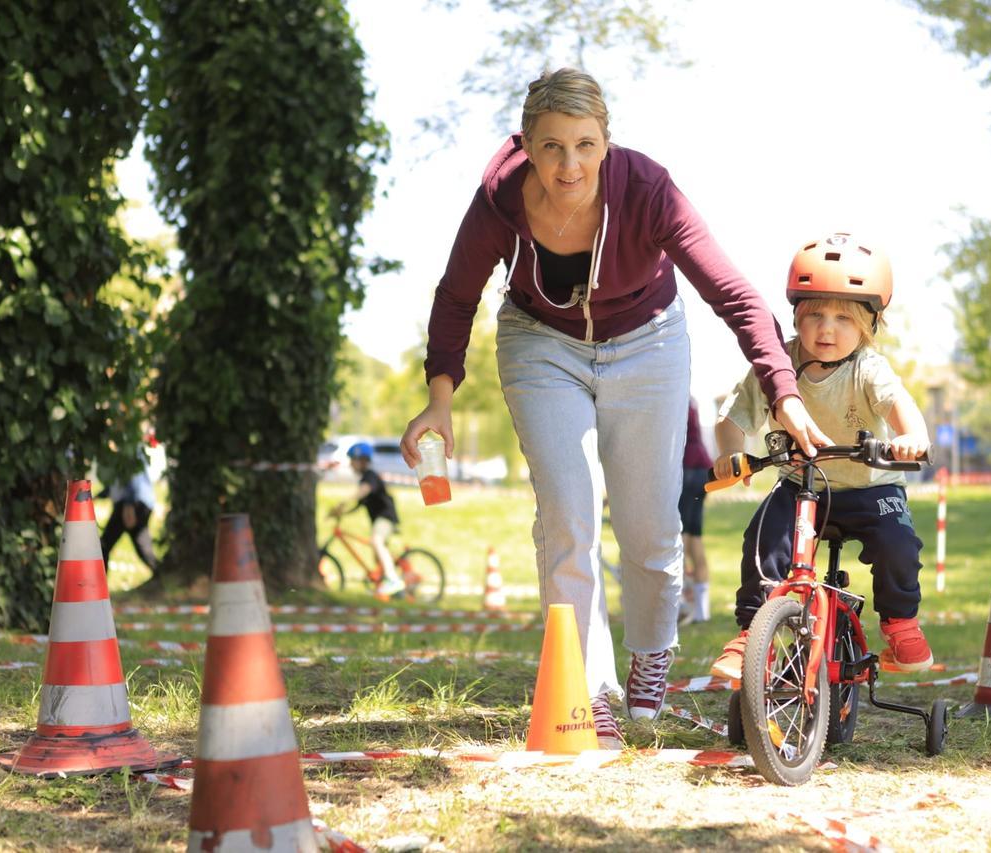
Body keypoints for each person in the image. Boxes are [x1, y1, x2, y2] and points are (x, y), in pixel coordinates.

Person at [400, 68, 827, 749]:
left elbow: (734, 294)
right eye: (551, 147)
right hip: (541, 345)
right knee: (569, 514)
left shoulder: (647, 190)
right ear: (527, 144)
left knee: (652, 526)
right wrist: (439, 401)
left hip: (649, 343)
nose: (569, 165)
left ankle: (652, 649)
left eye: (585, 145)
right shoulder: (499, 199)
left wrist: (785, 389)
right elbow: (456, 297)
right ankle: (590, 686)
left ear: (606, 142)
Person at [709, 232, 935, 680]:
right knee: (763, 540)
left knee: (898, 547)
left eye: (843, 318)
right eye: (814, 315)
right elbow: (734, 419)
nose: (826, 329)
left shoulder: (868, 368)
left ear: (868, 327)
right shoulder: (778, 364)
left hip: (871, 488)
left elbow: (904, 412)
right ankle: (752, 633)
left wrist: (914, 438)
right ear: (796, 316)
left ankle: (901, 624)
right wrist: (731, 452)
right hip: (801, 484)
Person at [329, 441, 405, 599]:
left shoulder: (370, 477)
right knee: (378, 555)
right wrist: (342, 512)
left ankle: (393, 580)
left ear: (362, 460)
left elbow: (364, 491)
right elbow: (359, 505)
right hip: (379, 519)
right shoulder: (364, 478)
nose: (350, 464)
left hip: (386, 517)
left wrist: (343, 502)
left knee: (376, 541)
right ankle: (391, 586)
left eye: (353, 460)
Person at [677, 397, 712, 625]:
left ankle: (679, 606)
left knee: (678, 539)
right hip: (702, 469)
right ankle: (702, 610)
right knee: (694, 539)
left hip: (686, 468)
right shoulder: (690, 400)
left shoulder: (672, 397)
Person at [100, 464, 159, 575]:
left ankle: (100, 587)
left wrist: (129, 504)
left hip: (130, 503)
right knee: (142, 544)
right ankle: (161, 575)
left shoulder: (122, 450)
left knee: (104, 544)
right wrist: (98, 495)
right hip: (142, 502)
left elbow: (130, 475)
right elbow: (116, 484)